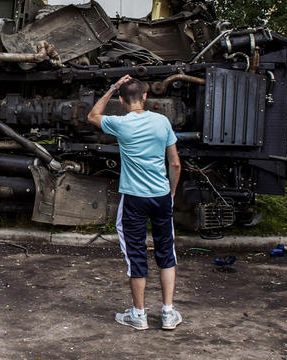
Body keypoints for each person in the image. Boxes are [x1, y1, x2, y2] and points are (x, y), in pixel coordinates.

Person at [87, 75, 182, 330]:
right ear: (145, 97)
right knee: (166, 252)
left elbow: (93, 116)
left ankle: (138, 315)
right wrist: (171, 192)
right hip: (161, 196)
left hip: (134, 199)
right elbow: (174, 163)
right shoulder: (162, 122)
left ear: (121, 100)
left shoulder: (120, 124)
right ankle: (168, 313)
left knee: (136, 254)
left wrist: (111, 87)